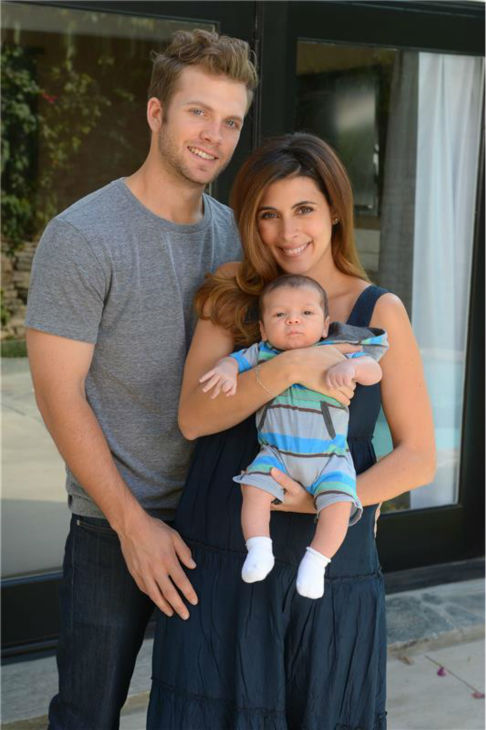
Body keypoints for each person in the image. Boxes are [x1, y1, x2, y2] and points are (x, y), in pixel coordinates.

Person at [147, 132, 435, 730]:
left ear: (334, 209)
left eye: (304, 209)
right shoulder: (234, 291)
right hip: (226, 550)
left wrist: (328, 499)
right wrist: (294, 366)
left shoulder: (376, 312)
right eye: (268, 214)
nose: (286, 232)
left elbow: (418, 457)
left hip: (329, 557)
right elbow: (194, 417)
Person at [25, 29, 257, 729]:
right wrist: (132, 526)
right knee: (88, 713)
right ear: (155, 113)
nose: (213, 135)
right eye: (197, 112)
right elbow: (58, 394)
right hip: (112, 526)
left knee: (204, 712)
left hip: (218, 518)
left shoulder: (236, 238)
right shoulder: (84, 235)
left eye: (230, 121)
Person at [200, 273, 388, 598]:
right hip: (276, 454)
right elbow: (233, 361)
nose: (293, 321)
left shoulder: (335, 352)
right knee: (253, 489)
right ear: (262, 328)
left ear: (326, 324)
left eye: (306, 313)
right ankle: (259, 548)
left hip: (329, 459)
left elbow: (375, 370)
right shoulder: (262, 353)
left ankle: (316, 562)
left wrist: (352, 369)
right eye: (280, 315)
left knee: (340, 506)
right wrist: (226, 371)